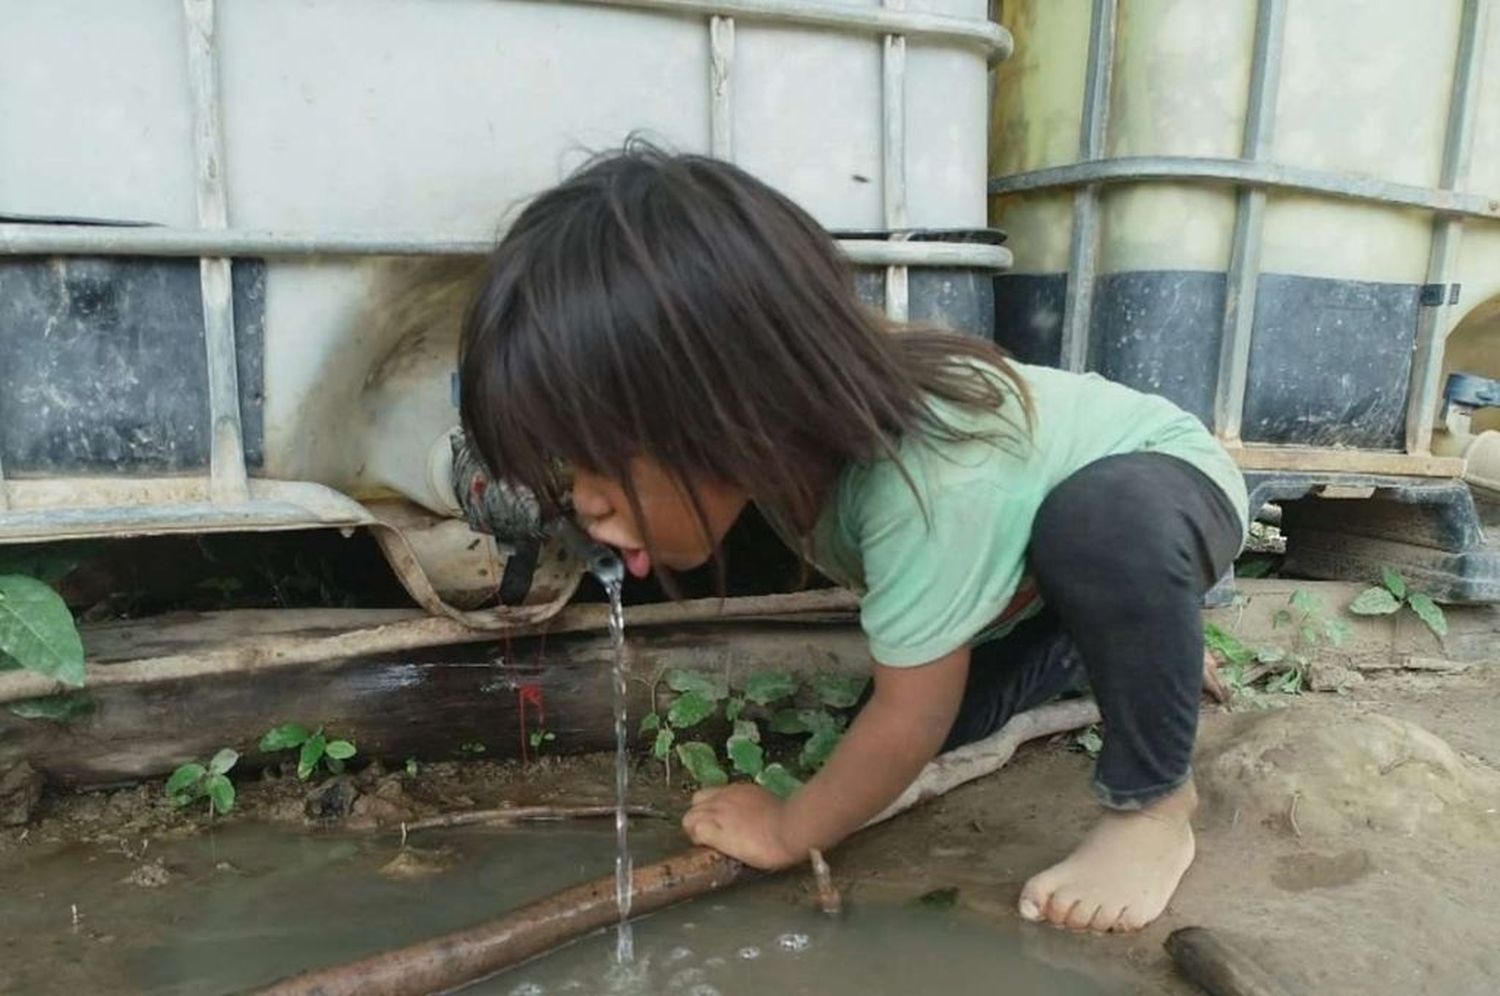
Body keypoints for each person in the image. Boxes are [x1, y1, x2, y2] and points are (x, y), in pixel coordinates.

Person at [458, 142, 1249, 933]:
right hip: (1029, 563)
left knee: (1068, 562)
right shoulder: (792, 441)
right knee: (928, 726)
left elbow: (909, 723)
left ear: (726, 409)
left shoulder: (932, 480)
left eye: (600, 463)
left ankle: (1152, 805)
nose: (587, 504)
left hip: (1157, 489)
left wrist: (790, 827)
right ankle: (1118, 645)